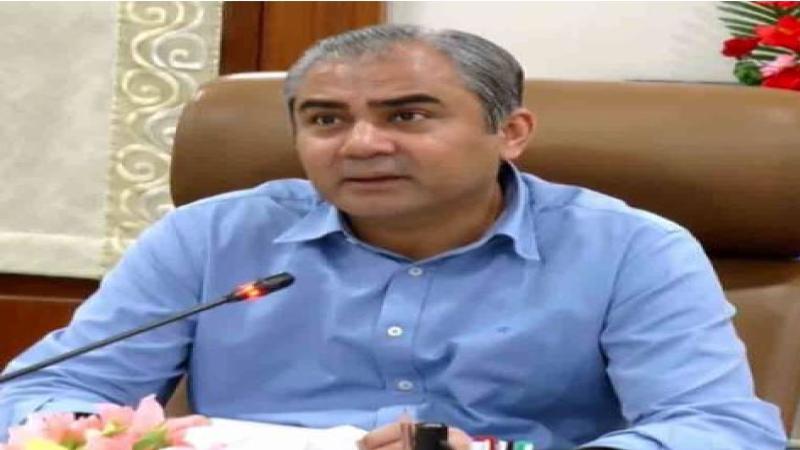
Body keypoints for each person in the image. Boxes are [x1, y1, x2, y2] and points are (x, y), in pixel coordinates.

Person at [0, 24, 786, 450]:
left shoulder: (631, 249)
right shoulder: (211, 236)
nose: (362, 144)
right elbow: (34, 399)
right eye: (325, 120)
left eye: (408, 115)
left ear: (511, 132)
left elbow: (719, 432)